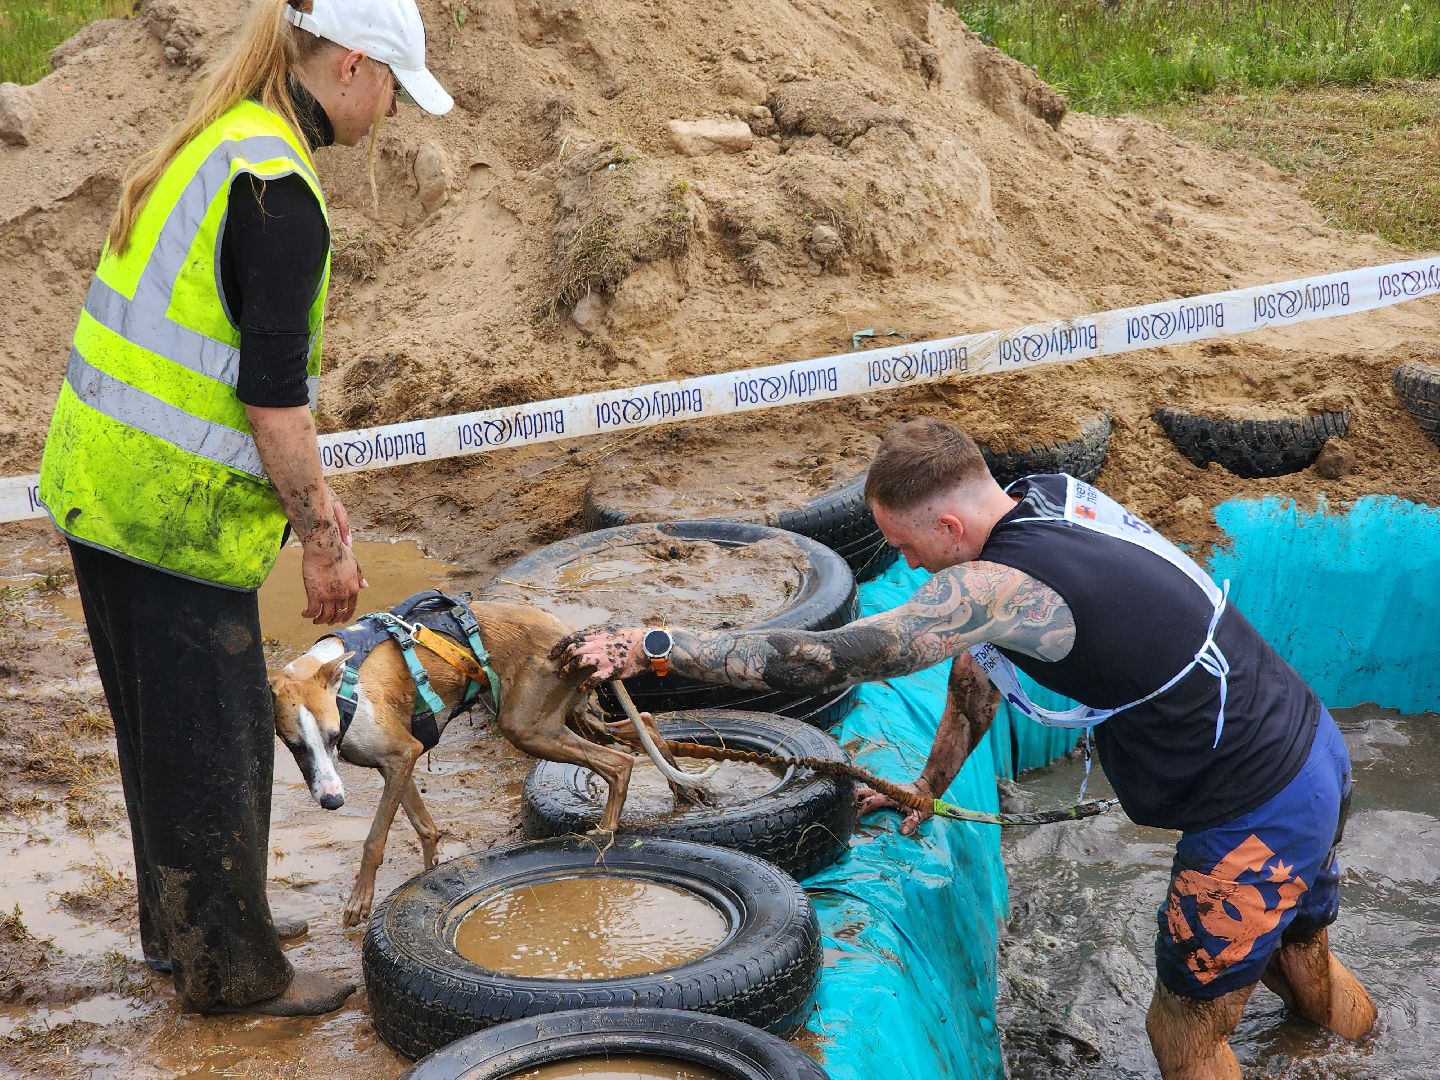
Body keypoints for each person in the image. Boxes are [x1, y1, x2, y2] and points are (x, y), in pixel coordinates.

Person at [555, 417, 1377, 1079]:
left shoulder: (1000, 587)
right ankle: (1365, 1057)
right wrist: (927, 785)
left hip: (1256, 809)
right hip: (1311, 750)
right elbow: (977, 671)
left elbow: (834, 658)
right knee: (1298, 961)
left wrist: (658, 644)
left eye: (909, 549)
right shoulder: (1050, 495)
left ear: (950, 523)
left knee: (1182, 1036)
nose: (909, 567)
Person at [36, 0, 452, 1016]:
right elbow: (274, 401)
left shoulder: (225, 139)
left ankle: (180, 932)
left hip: (106, 487)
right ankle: (233, 973)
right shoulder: (279, 194)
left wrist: (314, 495)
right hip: (169, 517)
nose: (391, 112)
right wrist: (322, 543)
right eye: (393, 87)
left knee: (161, 738)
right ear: (351, 67)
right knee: (217, 747)